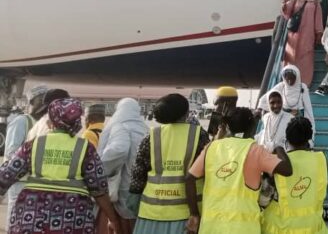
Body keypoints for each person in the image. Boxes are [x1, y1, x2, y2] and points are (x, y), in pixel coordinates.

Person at [0, 98, 124, 234]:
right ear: (77, 122)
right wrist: (113, 219)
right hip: (73, 216)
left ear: (51, 121)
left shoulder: (33, 144)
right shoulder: (85, 148)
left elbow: (5, 176)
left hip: (31, 213)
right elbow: (99, 189)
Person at [184, 107, 293, 234]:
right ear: (252, 126)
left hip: (211, 227)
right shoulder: (256, 150)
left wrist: (194, 214)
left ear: (228, 126)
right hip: (243, 228)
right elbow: (287, 169)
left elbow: (189, 178)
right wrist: (278, 147)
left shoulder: (212, 147)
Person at [129, 93, 210, 234]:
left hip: (151, 213)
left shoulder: (151, 136)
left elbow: (138, 176)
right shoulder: (199, 135)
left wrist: (133, 204)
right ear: (186, 113)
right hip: (188, 213)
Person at [261, 117, 328, 234]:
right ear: (309, 137)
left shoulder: (277, 163)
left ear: (287, 139)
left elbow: (263, 200)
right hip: (313, 228)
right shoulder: (321, 160)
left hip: (279, 228)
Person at [97, 98, 149, 234]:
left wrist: (101, 169)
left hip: (125, 185)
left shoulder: (120, 126)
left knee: (124, 224)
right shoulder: (144, 128)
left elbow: (118, 150)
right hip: (142, 185)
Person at [2, 84, 47, 228]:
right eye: (41, 100)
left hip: (37, 181)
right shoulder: (22, 121)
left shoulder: (45, 123)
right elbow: (11, 151)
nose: (45, 104)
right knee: (16, 216)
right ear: (32, 102)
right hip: (20, 181)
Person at [281, 0, 324, 86]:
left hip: (308, 35)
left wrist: (319, 34)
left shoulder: (314, 3)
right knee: (291, 56)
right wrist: (284, 4)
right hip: (294, 36)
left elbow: (318, 20)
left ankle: (304, 83)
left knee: (306, 57)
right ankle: (289, 81)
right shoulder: (295, 0)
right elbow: (286, 12)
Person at [259, 65, 316, 141]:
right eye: (287, 78)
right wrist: (260, 108)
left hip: (298, 116)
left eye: (292, 78)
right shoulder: (281, 86)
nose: (289, 81)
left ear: (297, 77)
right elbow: (267, 97)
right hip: (283, 115)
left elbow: (308, 107)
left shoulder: (302, 87)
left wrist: (311, 124)